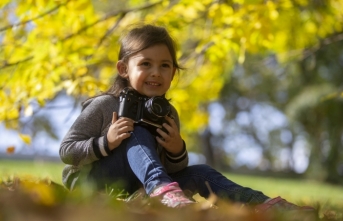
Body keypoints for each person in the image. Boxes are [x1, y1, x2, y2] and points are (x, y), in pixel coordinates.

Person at [59, 24, 316, 213]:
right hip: (92, 182)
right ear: (124, 69)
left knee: (201, 171)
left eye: (164, 66)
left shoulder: (167, 113)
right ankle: (164, 193)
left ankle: (264, 204)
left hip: (140, 187)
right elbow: (67, 152)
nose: (155, 73)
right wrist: (107, 142)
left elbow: (171, 170)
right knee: (134, 132)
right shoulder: (106, 105)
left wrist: (176, 149)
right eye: (145, 64)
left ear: (173, 73)